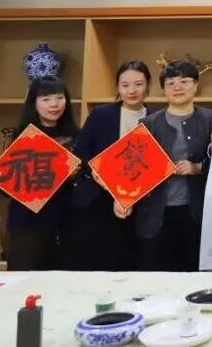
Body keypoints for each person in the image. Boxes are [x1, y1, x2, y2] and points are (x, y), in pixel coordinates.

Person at [119, 61, 212, 272]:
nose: (177, 87)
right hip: (156, 211)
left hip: (197, 210)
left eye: (184, 81)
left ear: (196, 85)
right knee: (156, 273)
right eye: (170, 83)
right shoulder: (149, 123)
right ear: (163, 89)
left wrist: (198, 168)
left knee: (195, 274)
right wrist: (122, 198)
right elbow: (134, 168)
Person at [0, 76, 79, 271]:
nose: (54, 104)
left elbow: (86, 181)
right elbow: (8, 188)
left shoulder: (76, 136)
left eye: (60, 97)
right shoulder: (22, 137)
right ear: (34, 104)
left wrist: (76, 175)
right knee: (23, 279)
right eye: (46, 99)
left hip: (65, 221)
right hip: (26, 223)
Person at [69, 60, 152, 271]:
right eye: (125, 85)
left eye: (138, 84)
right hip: (100, 196)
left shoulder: (156, 118)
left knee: (134, 261)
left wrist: (128, 196)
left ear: (148, 85)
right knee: (102, 261)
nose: (131, 91)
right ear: (117, 87)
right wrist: (101, 177)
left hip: (140, 201)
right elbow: (82, 151)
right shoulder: (101, 114)